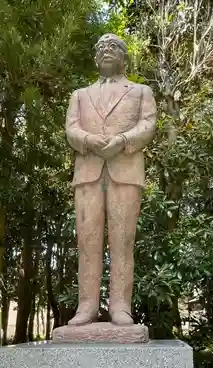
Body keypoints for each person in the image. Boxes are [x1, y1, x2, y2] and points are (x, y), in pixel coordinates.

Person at [65, 33, 157, 326]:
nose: (107, 50)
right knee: (87, 241)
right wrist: (89, 139)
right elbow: (71, 128)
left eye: (114, 46)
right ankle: (87, 306)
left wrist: (123, 140)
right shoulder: (79, 95)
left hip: (126, 172)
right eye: (101, 47)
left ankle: (120, 306)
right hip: (88, 173)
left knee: (123, 241)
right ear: (95, 58)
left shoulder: (141, 91)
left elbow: (149, 124)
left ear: (123, 57)